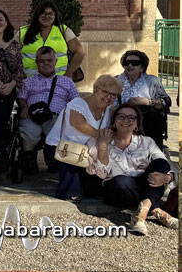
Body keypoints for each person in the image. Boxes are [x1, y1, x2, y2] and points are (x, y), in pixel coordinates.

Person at [87, 104, 178, 234]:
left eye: (131, 117)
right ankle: (155, 209)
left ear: (137, 123)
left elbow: (167, 163)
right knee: (121, 182)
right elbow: (101, 174)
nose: (126, 120)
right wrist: (103, 145)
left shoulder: (146, 142)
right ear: (114, 121)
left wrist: (168, 177)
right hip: (116, 188)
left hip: (143, 183)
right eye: (121, 116)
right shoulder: (101, 139)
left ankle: (143, 211)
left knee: (161, 164)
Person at [45, 74, 121, 201]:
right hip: (62, 148)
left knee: (94, 189)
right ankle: (69, 192)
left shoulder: (109, 109)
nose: (109, 97)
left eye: (113, 94)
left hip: (86, 151)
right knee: (72, 164)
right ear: (95, 90)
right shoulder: (77, 104)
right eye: (105, 92)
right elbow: (78, 124)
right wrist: (101, 136)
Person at [16, 46, 78, 173]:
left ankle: (53, 159)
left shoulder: (67, 82)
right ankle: (28, 159)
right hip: (32, 115)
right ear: (36, 62)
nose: (45, 63)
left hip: (56, 116)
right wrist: (23, 107)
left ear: (55, 62)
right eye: (41, 61)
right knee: (28, 129)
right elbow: (21, 96)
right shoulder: (28, 82)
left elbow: (76, 101)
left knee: (57, 128)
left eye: (49, 60)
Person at [115, 50, 172, 150]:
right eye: (126, 63)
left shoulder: (151, 81)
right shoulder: (116, 81)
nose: (130, 65)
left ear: (142, 67)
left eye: (135, 63)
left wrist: (148, 102)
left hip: (147, 125)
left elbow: (167, 101)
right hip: (122, 124)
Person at [19, 1, 85, 79]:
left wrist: (69, 73)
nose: (47, 16)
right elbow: (11, 54)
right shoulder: (23, 32)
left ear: (55, 16)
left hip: (59, 82)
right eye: (43, 13)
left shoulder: (63, 30)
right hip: (29, 83)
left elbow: (79, 52)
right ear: (37, 15)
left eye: (50, 14)